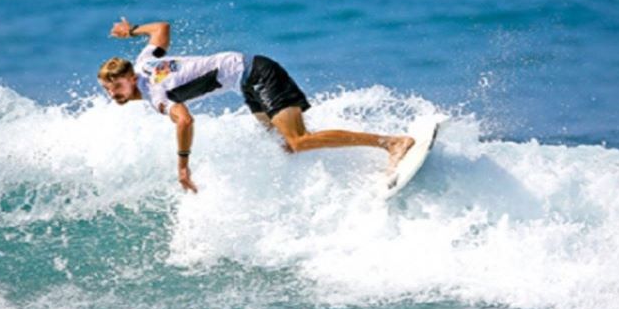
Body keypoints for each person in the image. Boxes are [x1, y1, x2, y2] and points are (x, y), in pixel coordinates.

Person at [98, 18, 414, 193]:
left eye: (117, 87)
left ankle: (391, 142)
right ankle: (347, 176)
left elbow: (185, 122)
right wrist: (132, 31)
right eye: (108, 91)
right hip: (245, 81)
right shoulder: (143, 62)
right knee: (286, 145)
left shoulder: (157, 95)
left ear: (129, 78)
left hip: (259, 74)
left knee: (297, 141)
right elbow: (162, 28)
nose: (114, 94)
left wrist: (182, 166)